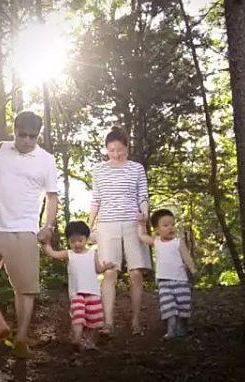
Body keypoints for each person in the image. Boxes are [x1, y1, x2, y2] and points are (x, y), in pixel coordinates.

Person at [0, 111, 58, 358]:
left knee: (25, 288)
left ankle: (21, 338)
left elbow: (52, 196)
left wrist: (48, 226)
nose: (27, 141)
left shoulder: (46, 160)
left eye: (32, 136)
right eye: (22, 135)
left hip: (24, 230)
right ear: (14, 131)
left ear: (38, 135)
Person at [87, 126, 151, 336]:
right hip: (106, 225)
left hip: (133, 223)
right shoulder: (98, 170)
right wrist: (89, 227)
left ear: (126, 148)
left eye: (119, 150)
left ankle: (135, 322)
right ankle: (108, 323)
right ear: (106, 149)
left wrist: (145, 214)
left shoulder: (136, 168)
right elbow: (96, 200)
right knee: (109, 272)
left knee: (136, 273)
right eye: (111, 150)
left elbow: (143, 195)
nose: (116, 154)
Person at [42, 221, 115, 351]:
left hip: (93, 292)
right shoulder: (69, 254)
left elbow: (98, 270)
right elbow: (53, 253)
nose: (77, 244)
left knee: (95, 319)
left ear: (86, 239)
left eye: (80, 240)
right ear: (69, 241)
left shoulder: (93, 254)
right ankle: (76, 339)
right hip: (77, 292)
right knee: (78, 316)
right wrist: (46, 243)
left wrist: (106, 267)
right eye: (73, 241)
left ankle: (90, 342)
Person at [137, 209, 197, 340]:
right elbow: (142, 237)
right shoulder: (156, 241)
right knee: (168, 305)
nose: (170, 228)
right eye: (165, 225)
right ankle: (171, 329)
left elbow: (186, 256)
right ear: (157, 229)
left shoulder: (178, 242)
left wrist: (192, 268)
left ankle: (183, 326)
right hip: (164, 281)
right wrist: (141, 223)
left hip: (180, 280)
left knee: (183, 304)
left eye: (172, 224)